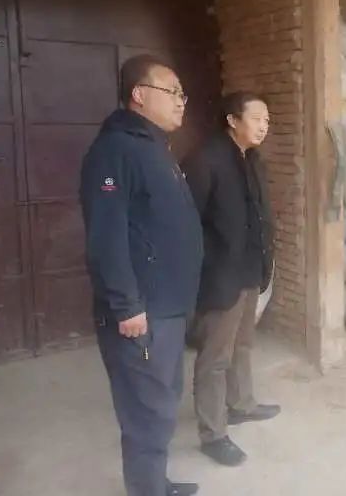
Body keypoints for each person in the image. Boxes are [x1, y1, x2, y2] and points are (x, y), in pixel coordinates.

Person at [80, 55, 203, 496]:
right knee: (146, 414)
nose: (181, 101)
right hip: (142, 312)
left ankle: (155, 485)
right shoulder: (115, 150)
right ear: (139, 94)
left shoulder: (153, 147)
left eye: (183, 94)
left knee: (161, 406)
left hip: (167, 308)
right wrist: (126, 305)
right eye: (172, 92)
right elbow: (106, 235)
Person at [183, 91, 280, 467]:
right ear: (232, 120)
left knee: (243, 343)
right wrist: (203, 269)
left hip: (249, 268)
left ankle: (241, 404)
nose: (264, 126)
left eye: (267, 120)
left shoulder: (251, 159)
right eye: (256, 118)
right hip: (220, 274)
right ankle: (213, 433)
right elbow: (187, 223)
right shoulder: (205, 160)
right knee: (215, 356)